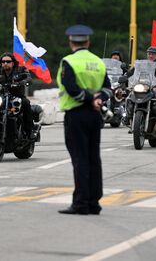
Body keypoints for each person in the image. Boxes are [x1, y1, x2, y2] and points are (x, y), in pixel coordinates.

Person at [57, 25, 112, 215]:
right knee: (93, 158)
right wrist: (98, 100)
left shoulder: (69, 62)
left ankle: (80, 203)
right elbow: (107, 88)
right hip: (95, 115)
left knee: (80, 159)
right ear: (88, 42)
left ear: (71, 42)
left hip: (76, 114)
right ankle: (94, 202)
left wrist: (89, 99)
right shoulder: (99, 62)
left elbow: (70, 87)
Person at [0, 53, 33, 137]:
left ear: (13, 63)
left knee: (26, 103)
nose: (5, 63)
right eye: (3, 61)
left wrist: (21, 82)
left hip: (17, 96)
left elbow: (29, 78)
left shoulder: (21, 69)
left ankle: (29, 131)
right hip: (0, 97)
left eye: (8, 61)